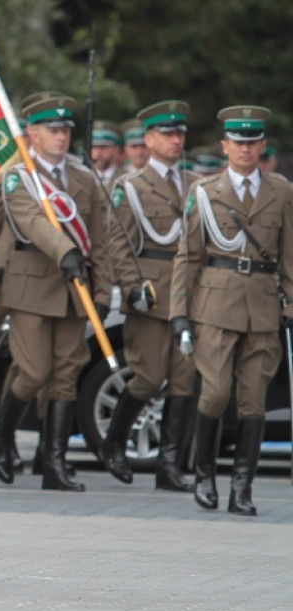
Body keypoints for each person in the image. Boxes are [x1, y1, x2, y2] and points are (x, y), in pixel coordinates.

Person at [0, 92, 112, 492]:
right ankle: (1, 437)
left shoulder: (84, 179)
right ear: (32, 133)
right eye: (52, 130)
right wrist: (66, 251)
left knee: (65, 376)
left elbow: (101, 241)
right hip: (32, 285)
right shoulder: (18, 176)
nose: (60, 137)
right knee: (33, 371)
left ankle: (54, 463)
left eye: (65, 130)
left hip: (74, 290)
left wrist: (103, 292)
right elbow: (32, 221)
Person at [170, 105, 293, 516]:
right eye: (238, 141)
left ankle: (243, 488)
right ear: (225, 146)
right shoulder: (204, 193)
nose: (245, 148)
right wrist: (179, 313)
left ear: (262, 146)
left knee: (253, 401)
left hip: (261, 306)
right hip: (215, 304)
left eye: (252, 141)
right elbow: (186, 258)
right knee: (216, 393)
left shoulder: (281, 191)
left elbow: (289, 257)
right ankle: (204, 474)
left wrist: (290, 303)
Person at [102, 100, 200, 490]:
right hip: (152, 291)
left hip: (186, 292)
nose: (176, 141)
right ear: (149, 139)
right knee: (147, 378)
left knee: (184, 380)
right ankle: (113, 445)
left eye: (180, 134)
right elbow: (119, 242)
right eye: (167, 134)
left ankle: (169, 465)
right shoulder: (131, 187)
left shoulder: (195, 184)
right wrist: (130, 285)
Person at [90, 120, 123, 186]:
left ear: (116, 149)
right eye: (95, 147)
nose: (98, 152)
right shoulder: (83, 178)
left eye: (104, 147)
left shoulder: (125, 178)